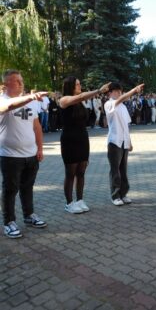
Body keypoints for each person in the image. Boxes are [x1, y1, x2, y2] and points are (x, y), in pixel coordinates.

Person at [0, 70, 48, 238]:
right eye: (16, 81)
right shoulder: (2, 100)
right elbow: (10, 106)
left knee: (27, 188)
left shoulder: (31, 104)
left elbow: (36, 127)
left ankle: (29, 215)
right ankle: (9, 222)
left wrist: (40, 148)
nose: (21, 84)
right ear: (6, 84)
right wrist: (31, 97)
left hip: (31, 155)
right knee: (10, 190)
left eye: (21, 81)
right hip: (10, 156)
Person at [59, 76, 110, 213]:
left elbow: (81, 99)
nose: (79, 86)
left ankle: (80, 200)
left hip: (82, 138)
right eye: (77, 84)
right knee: (70, 173)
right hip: (69, 140)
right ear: (70, 86)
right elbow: (79, 97)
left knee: (81, 172)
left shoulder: (81, 103)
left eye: (79, 84)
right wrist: (98, 91)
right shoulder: (64, 100)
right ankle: (69, 203)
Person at [105, 82, 144, 206]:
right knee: (115, 170)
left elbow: (126, 126)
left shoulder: (123, 106)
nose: (118, 93)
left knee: (123, 170)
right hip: (114, 142)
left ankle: (123, 193)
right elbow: (121, 99)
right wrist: (133, 90)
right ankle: (115, 195)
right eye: (115, 91)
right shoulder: (109, 104)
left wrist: (129, 141)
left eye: (120, 91)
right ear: (109, 93)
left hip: (124, 142)